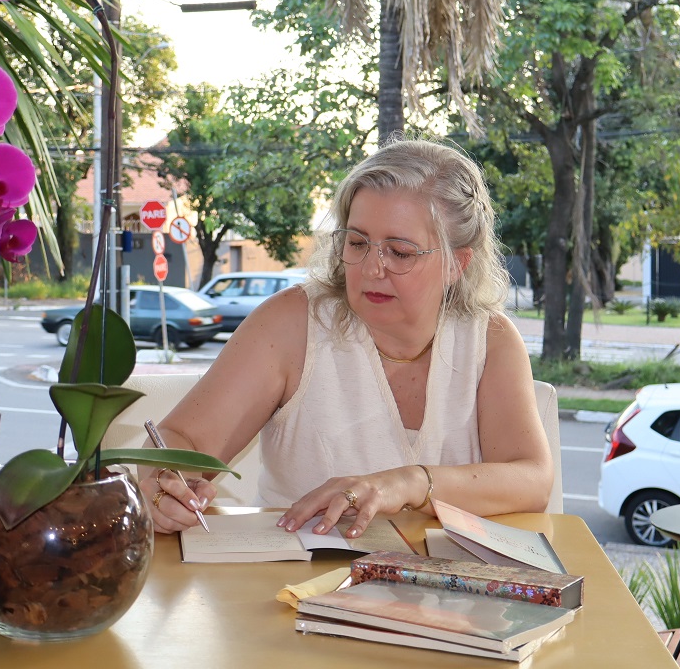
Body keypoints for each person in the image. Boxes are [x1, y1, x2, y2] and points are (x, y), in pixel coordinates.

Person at [142, 138, 552, 538]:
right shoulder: (292, 325)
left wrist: (407, 483)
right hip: (293, 593)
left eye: (400, 252)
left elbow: (531, 479)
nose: (372, 268)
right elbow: (181, 442)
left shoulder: (489, 340)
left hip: (447, 598)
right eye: (357, 242)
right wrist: (164, 482)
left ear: (456, 262)